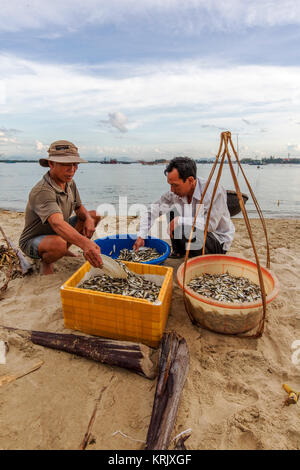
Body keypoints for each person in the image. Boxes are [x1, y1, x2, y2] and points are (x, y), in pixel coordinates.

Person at [19, 140, 103, 275]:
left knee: (94, 215)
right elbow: (56, 223)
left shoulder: (69, 182)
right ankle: (47, 260)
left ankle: (63, 250)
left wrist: (87, 218)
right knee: (58, 244)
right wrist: (86, 244)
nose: (72, 170)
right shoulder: (42, 190)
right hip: (33, 240)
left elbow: (79, 206)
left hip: (57, 232)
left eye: (75, 164)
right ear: (51, 164)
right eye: (66, 165)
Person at [133, 156, 235, 257]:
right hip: (194, 235)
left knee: (182, 225)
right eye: (170, 184)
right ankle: (178, 252)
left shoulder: (213, 191)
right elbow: (153, 210)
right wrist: (141, 235)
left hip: (217, 241)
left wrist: (180, 220)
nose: (172, 190)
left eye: (175, 185)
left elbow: (210, 225)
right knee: (171, 211)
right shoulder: (174, 193)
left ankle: (195, 257)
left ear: (190, 180)